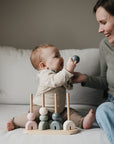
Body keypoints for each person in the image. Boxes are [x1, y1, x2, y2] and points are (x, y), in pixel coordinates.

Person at [6, 44, 95, 131]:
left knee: (69, 113)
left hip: (58, 110)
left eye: (59, 55)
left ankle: (82, 122)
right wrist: (67, 71)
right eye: (56, 56)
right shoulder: (45, 75)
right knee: (33, 117)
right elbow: (56, 81)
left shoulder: (59, 74)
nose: (60, 58)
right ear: (44, 66)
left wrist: (70, 79)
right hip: (41, 108)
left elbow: (66, 85)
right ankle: (14, 122)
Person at [72, 0, 114, 143]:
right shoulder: (105, 46)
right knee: (103, 110)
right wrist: (83, 78)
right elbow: (105, 81)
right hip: (112, 105)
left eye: (103, 22)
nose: (99, 29)